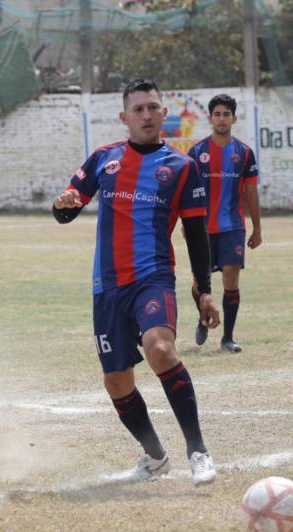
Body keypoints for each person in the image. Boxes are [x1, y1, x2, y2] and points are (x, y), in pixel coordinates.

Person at [52, 78, 220, 486]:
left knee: (161, 349)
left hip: (153, 277)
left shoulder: (182, 167)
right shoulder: (104, 159)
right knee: (116, 381)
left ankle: (198, 451)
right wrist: (62, 205)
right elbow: (67, 209)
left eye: (152, 108)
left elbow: (196, 235)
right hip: (107, 286)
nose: (146, 115)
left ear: (164, 113)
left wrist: (204, 290)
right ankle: (156, 457)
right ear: (124, 117)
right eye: (138, 109)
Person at [187, 93, 261, 353]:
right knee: (199, 282)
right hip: (202, 228)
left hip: (233, 226)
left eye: (226, 114)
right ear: (210, 118)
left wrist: (257, 228)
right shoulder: (196, 152)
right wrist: (187, 225)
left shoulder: (244, 153)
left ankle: (227, 338)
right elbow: (188, 193)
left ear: (234, 118)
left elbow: (251, 192)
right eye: (217, 114)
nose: (221, 118)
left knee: (231, 274)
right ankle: (202, 318)